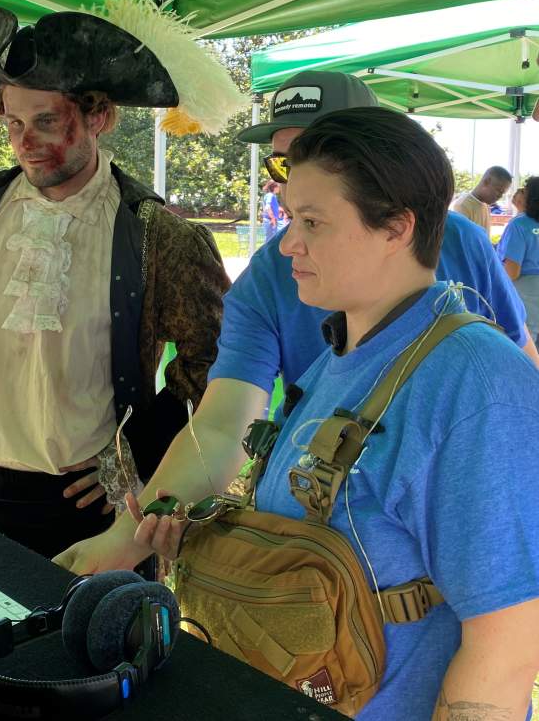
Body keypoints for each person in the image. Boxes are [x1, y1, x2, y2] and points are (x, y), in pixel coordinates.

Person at [77, 106, 539, 721]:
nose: (287, 242)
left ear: (397, 228)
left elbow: (507, 646)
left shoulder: (473, 385)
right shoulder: (344, 354)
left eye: (313, 222)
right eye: (291, 217)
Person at [55, 69, 537, 572]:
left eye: (319, 150)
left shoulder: (459, 244)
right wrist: (132, 536)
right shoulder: (271, 277)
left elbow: (518, 367)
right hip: (327, 561)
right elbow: (224, 425)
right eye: (284, 162)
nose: (293, 182)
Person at [0, 0, 244, 559]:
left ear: (99, 116)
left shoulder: (161, 238)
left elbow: (215, 359)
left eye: (45, 121)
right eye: (13, 121)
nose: (24, 140)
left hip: (93, 504)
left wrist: (135, 452)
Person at [499, 176, 539, 345]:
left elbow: (512, 272)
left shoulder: (519, 225)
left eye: (524, 190)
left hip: (526, 292)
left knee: (523, 342)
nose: (519, 193)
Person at [451, 165, 512, 236]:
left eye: (503, 193)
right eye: (499, 190)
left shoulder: (485, 205)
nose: (500, 196)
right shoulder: (462, 206)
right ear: (486, 181)